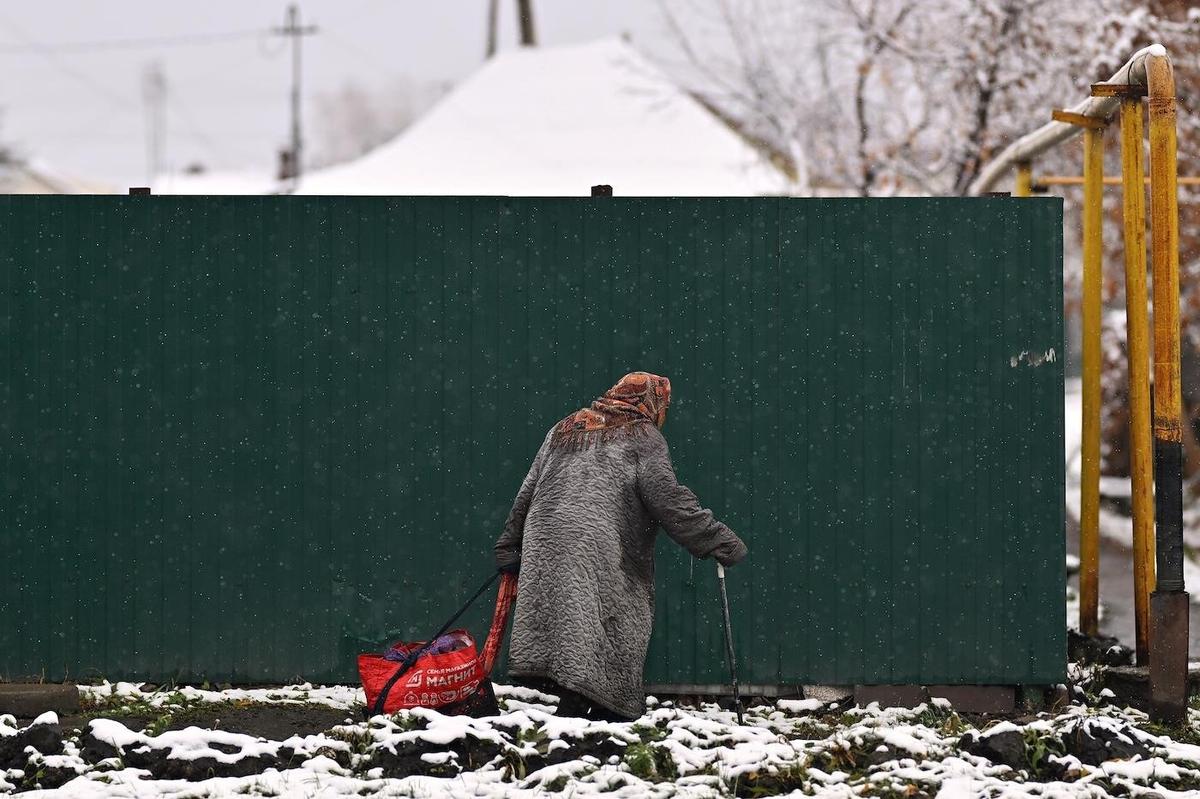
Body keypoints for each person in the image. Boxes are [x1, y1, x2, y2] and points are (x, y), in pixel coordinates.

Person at [494, 372, 747, 721]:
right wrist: (715, 538)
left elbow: (528, 490)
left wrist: (509, 546)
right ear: (650, 401)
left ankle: (582, 713)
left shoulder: (565, 426)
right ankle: (592, 715)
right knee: (609, 625)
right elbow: (668, 500)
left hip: (546, 540)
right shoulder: (643, 437)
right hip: (599, 544)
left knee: (573, 627)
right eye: (665, 404)